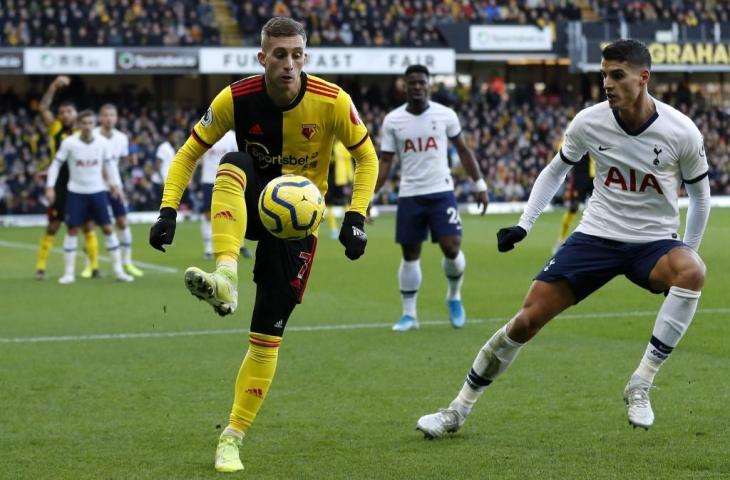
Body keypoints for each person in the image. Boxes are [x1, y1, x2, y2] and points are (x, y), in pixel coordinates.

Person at [416, 39, 710, 437]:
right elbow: (555, 171)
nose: (607, 82)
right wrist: (524, 224)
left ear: (644, 78)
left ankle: (641, 383)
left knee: (692, 270)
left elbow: (699, 196)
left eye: (617, 75)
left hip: (654, 242)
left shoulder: (681, 132)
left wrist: (685, 249)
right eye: (603, 74)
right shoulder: (589, 122)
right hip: (595, 237)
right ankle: (456, 410)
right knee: (525, 321)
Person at [148, 17, 378, 473]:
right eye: (279, 54)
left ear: (305, 58)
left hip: (298, 228)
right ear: (262, 58)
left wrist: (356, 217)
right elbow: (189, 151)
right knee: (233, 160)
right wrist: (167, 209)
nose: (289, 64)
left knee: (266, 337)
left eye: (297, 55)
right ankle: (227, 275)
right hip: (254, 206)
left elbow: (365, 156)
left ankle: (231, 437)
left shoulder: (333, 102)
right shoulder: (236, 98)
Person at [375, 65, 488, 332]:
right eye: (411, 83)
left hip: (441, 192)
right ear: (404, 86)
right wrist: (369, 195)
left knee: (452, 247)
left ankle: (454, 296)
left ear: (429, 85)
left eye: (421, 82)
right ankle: (409, 315)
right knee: (410, 254)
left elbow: (463, 149)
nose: (417, 87)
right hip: (410, 194)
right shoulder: (393, 120)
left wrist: (480, 183)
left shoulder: (445, 115)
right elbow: (386, 161)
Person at [45, 111, 134, 284]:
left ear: (94, 125)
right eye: (84, 123)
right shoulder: (69, 143)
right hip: (76, 192)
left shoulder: (102, 143)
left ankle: (118, 271)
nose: (87, 126)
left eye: (90, 123)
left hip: (98, 191)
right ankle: (69, 273)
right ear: (79, 124)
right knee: (72, 230)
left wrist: (116, 186)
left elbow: (110, 166)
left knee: (108, 228)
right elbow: (56, 164)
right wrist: (50, 187)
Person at [35, 76, 100, 280]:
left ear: (76, 115)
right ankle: (41, 267)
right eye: (62, 112)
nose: (64, 115)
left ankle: (95, 266)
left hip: (82, 181)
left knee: (87, 225)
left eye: (68, 112)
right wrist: (53, 86)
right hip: (61, 183)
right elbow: (43, 109)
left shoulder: (84, 132)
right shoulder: (55, 129)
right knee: (53, 225)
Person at [94, 103, 144, 277]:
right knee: (93, 226)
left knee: (122, 222)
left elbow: (119, 163)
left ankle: (127, 262)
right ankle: (91, 265)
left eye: (112, 115)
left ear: (116, 118)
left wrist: (128, 164)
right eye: (105, 115)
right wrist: (110, 183)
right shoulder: (93, 136)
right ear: (100, 118)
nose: (108, 118)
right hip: (95, 187)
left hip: (115, 187)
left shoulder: (121, 138)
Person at [197, 130, 239, 259]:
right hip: (208, 179)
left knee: (229, 213)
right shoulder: (206, 132)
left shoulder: (231, 136)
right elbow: (197, 156)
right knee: (208, 214)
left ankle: (231, 246)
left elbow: (237, 157)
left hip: (226, 179)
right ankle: (208, 248)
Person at [553, 153, 594, 253]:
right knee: (573, 207)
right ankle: (561, 239)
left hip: (597, 177)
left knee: (600, 208)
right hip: (581, 176)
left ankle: (599, 241)